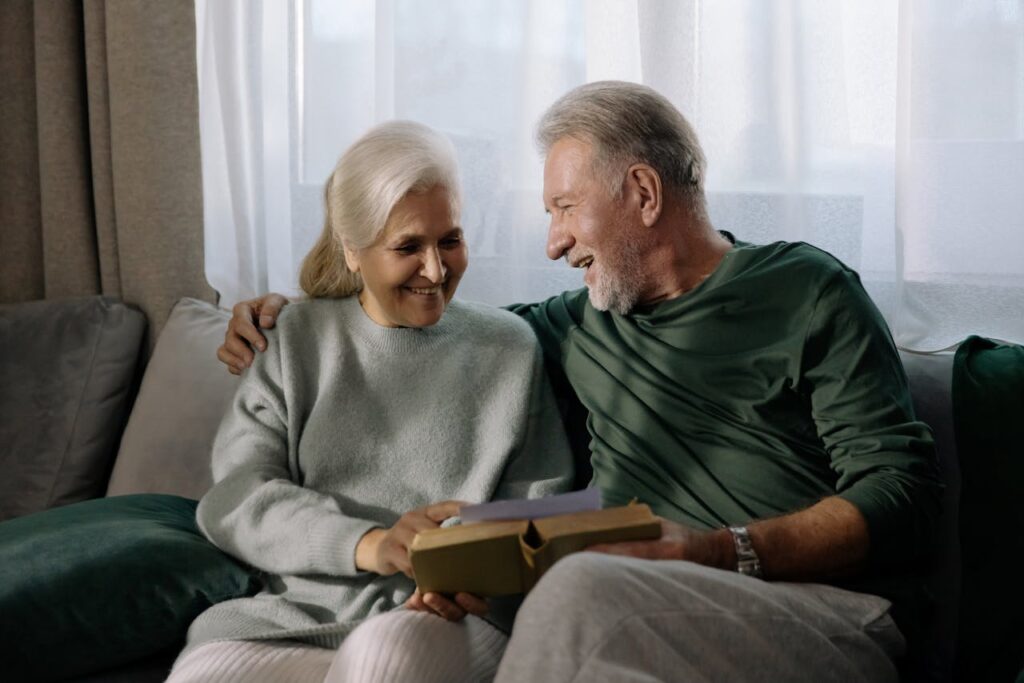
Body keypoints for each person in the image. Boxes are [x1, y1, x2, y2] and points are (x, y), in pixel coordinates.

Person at [218, 82, 944, 682]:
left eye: (565, 209)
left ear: (643, 193)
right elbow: (423, 320)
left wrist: (716, 549)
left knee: (575, 588)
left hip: (817, 613)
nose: (553, 241)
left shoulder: (807, 290)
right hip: (640, 612)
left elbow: (901, 493)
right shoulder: (578, 321)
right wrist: (292, 311)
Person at [169, 121, 573, 683]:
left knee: (380, 665)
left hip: (442, 622)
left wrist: (464, 569)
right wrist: (371, 544)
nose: (436, 270)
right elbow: (236, 499)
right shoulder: (288, 339)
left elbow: (539, 508)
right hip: (289, 618)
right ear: (352, 251)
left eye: (450, 240)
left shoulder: (508, 348)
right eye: (408, 247)